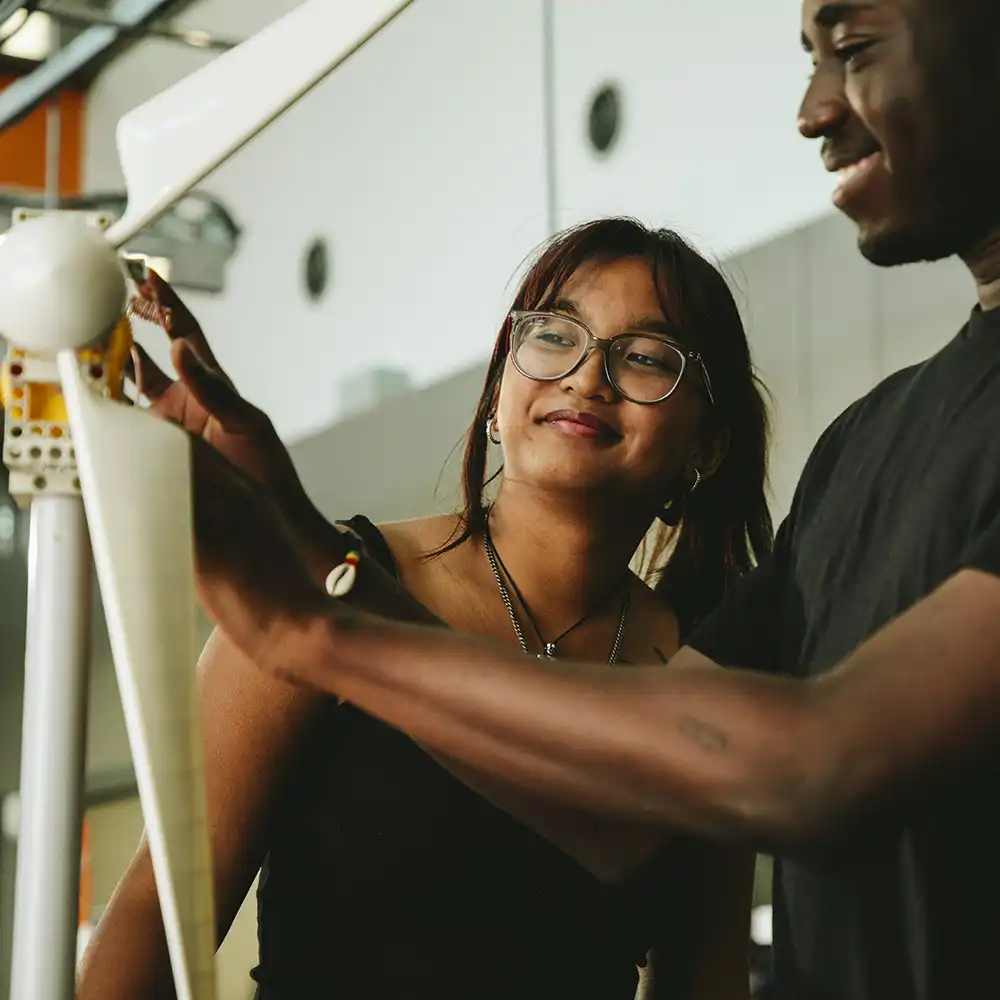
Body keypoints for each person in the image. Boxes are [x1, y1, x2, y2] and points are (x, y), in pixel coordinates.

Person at [173, 2, 1000, 999]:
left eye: (855, 48)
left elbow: (816, 767)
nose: (811, 110)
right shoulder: (863, 447)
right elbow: (626, 811)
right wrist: (310, 554)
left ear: (703, 448)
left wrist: (318, 626)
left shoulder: (690, 617)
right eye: (554, 336)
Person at [77, 218, 774, 999]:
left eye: (646, 357)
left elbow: (704, 973)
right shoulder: (328, 580)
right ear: (496, 396)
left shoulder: (702, 662)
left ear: (707, 448)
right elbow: (157, 916)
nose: (587, 376)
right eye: (554, 335)